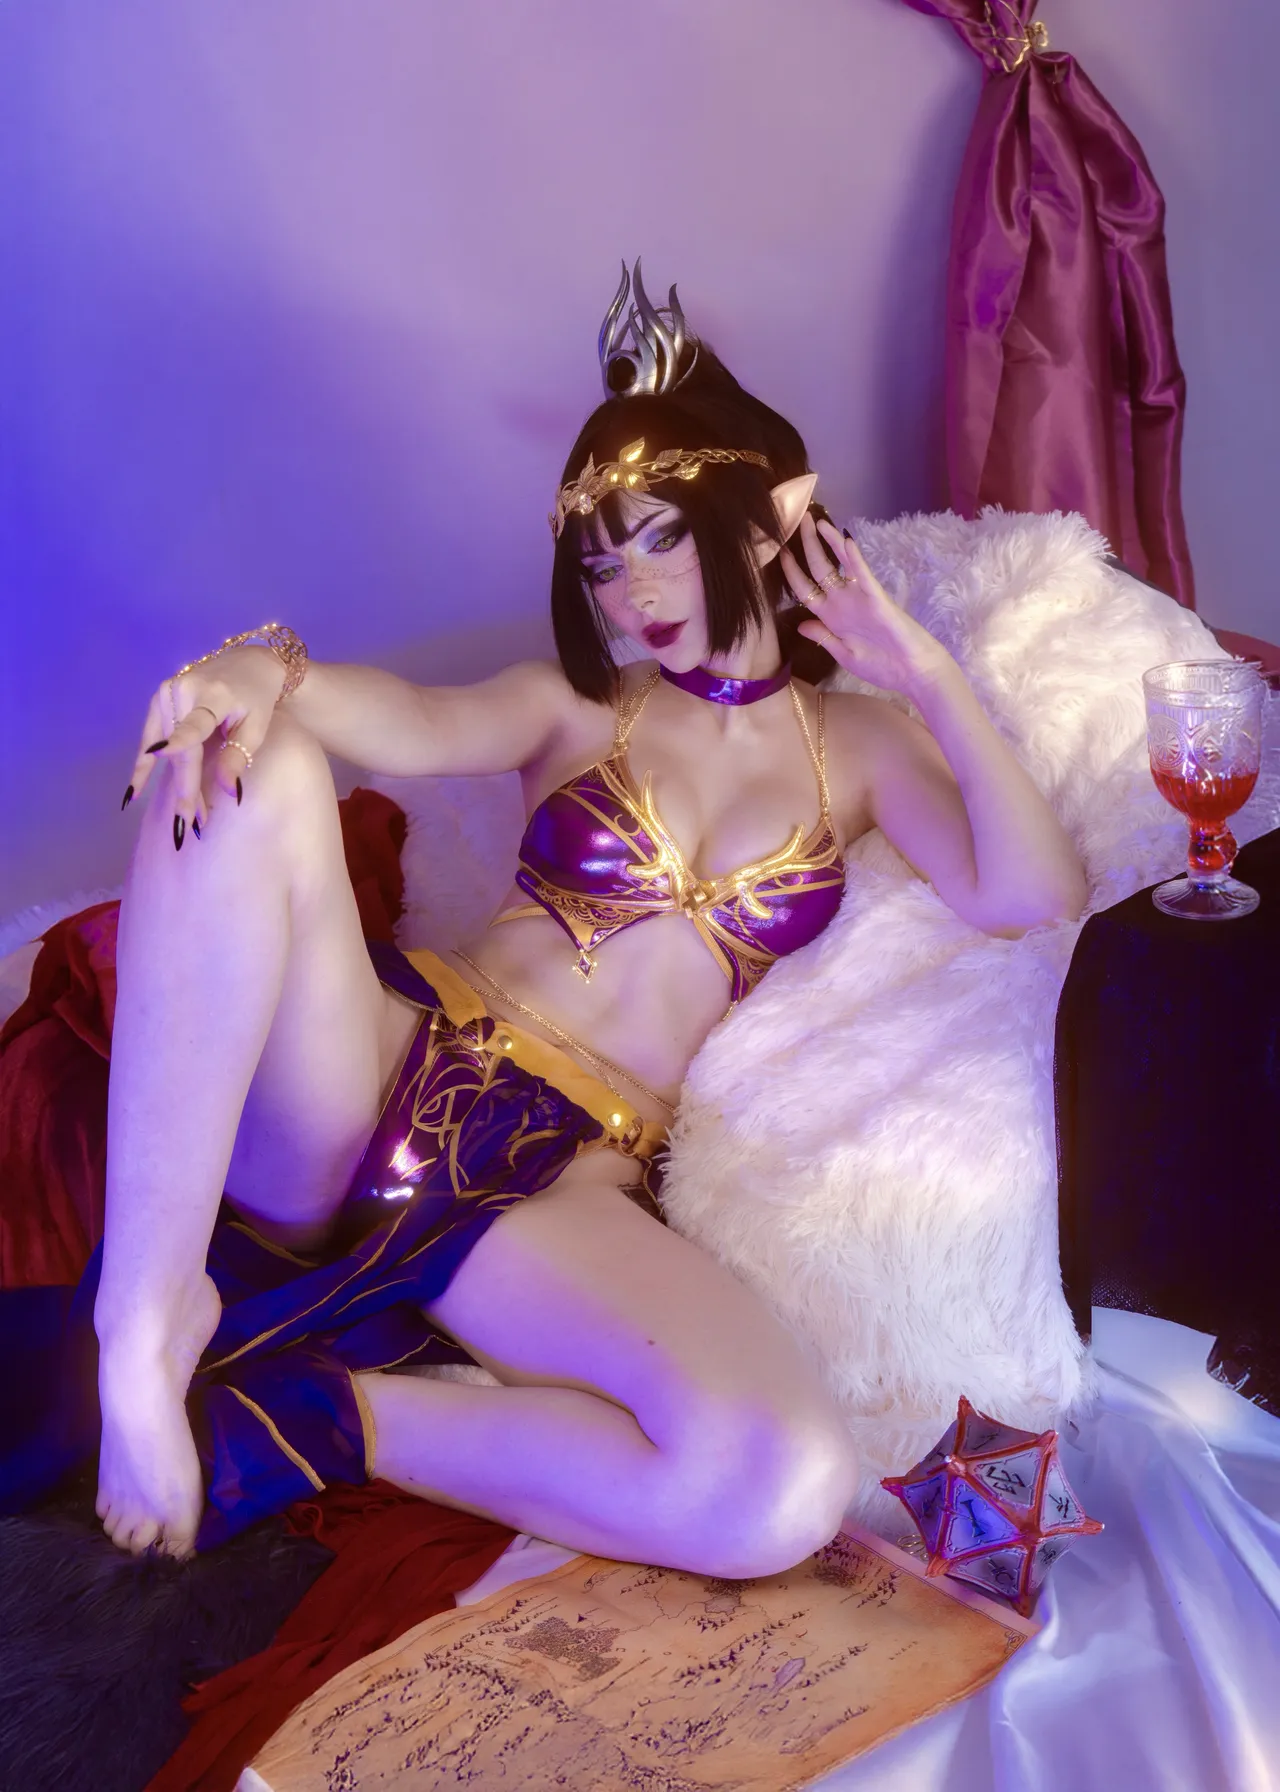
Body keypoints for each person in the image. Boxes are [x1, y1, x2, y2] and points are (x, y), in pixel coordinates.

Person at [83, 262, 1085, 1565]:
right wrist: (256, 671)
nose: (632, 592)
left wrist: (926, 669)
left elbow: (1035, 894)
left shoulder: (864, 747)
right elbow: (406, 720)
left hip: (561, 1180)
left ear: (773, 517)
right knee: (249, 759)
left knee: (779, 1484)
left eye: (662, 537)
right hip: (375, 1079)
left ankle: (336, 1419)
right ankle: (144, 1320)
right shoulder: (581, 708)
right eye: (603, 564)